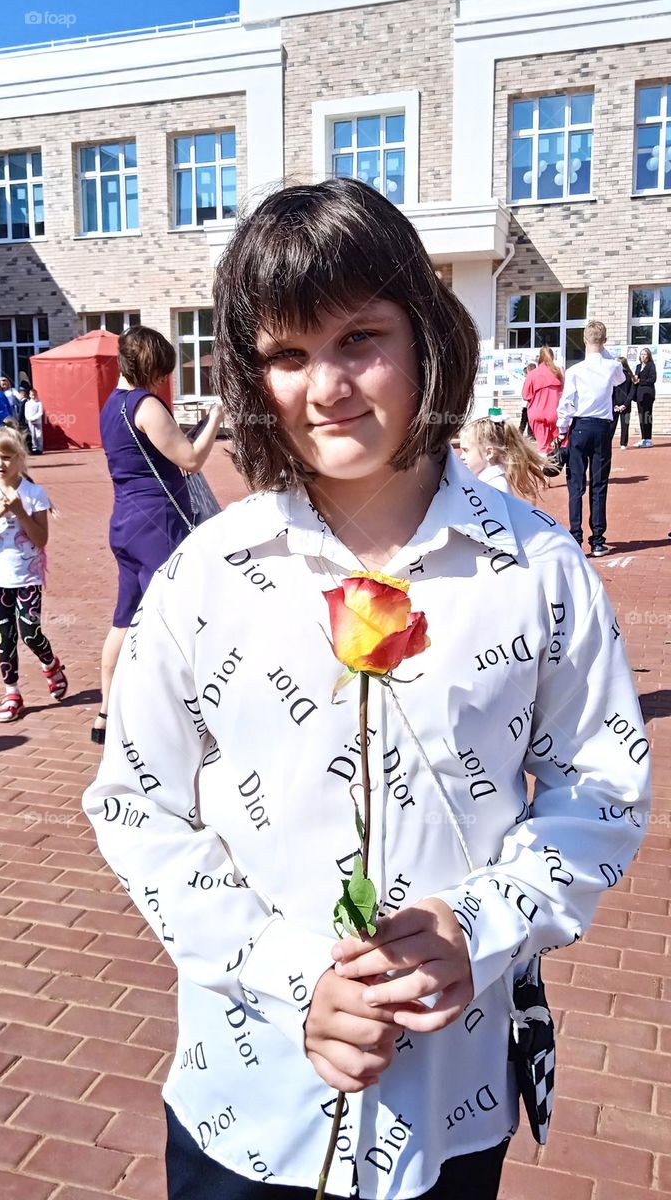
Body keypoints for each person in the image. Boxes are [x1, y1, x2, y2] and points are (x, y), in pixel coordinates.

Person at [83, 179, 650, 1200]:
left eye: (359, 338)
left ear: (425, 336)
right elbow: (135, 802)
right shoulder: (207, 576)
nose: (328, 385)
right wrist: (291, 966)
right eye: (289, 354)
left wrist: (480, 921)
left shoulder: (537, 566)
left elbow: (600, 788)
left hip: (450, 1101)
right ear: (255, 377)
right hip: (246, 1102)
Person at [91, 325, 224, 746]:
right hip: (158, 523)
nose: (165, 379)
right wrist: (217, 418)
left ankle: (105, 712)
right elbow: (190, 460)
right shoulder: (146, 405)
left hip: (125, 523)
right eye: (163, 370)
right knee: (171, 617)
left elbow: (148, 454)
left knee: (125, 618)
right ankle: (169, 711)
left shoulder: (111, 406)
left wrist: (195, 424)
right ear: (151, 366)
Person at [0, 424, 67, 722]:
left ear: (20, 458)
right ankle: (12, 692)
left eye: (7, 457)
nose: (0, 464)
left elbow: (41, 539)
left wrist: (19, 511)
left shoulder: (34, 493)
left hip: (28, 577)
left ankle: (50, 663)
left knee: (29, 632)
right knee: (5, 637)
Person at [555, 320, 624, 559]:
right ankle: (597, 541)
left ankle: (575, 537)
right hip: (602, 428)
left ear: (584, 340)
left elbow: (565, 404)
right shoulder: (611, 366)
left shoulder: (575, 371)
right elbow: (621, 379)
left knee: (576, 485)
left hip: (580, 426)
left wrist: (562, 429)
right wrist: (603, 349)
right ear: (604, 341)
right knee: (599, 485)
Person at [458, 415, 549, 499]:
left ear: (489, 453)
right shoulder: (488, 483)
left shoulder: (495, 488)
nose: (461, 457)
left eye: (466, 450)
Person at [521, 346, 563, 454]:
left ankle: (544, 468)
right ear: (552, 357)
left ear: (540, 357)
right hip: (555, 414)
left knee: (543, 447)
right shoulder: (559, 372)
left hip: (537, 414)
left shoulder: (533, 374)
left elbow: (525, 395)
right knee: (563, 444)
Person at [612, 357, 636, 450]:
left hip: (625, 405)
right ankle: (608, 441)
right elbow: (610, 392)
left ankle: (623, 443)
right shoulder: (613, 376)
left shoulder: (630, 376)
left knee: (625, 425)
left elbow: (631, 392)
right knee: (611, 425)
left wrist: (625, 405)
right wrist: (614, 405)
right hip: (615, 405)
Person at [634, 347, 656, 447]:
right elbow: (635, 379)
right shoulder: (638, 366)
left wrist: (640, 381)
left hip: (648, 394)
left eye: (645, 354)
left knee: (647, 416)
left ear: (648, 356)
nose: (643, 356)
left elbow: (652, 379)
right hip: (639, 395)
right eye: (641, 354)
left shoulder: (651, 365)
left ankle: (648, 439)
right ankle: (643, 438)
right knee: (641, 417)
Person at [518, 363, 535, 436]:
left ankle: (529, 434)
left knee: (528, 421)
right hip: (527, 404)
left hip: (530, 404)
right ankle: (520, 434)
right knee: (524, 420)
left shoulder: (530, 380)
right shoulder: (526, 380)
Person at [25, 388, 44, 454]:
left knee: (39, 434)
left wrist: (34, 418)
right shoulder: (27, 403)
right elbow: (26, 412)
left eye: (35, 395)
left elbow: (40, 412)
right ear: (29, 395)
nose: (33, 396)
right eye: (32, 395)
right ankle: (34, 448)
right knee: (33, 435)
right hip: (30, 421)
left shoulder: (39, 403)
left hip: (37, 421)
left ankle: (40, 448)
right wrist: (29, 418)